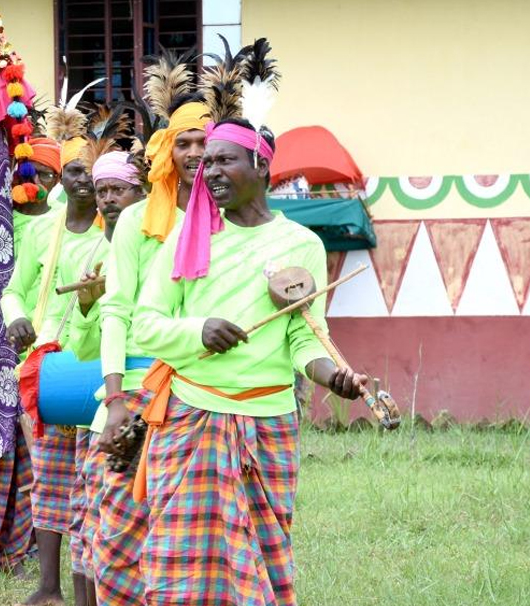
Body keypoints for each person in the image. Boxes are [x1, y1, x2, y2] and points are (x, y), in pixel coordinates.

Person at [132, 116, 368, 605]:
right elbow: (145, 325)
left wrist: (334, 378)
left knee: (262, 559)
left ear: (261, 165)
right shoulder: (188, 236)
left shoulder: (301, 244)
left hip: (269, 425)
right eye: (207, 163)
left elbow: (305, 337)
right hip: (191, 416)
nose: (211, 171)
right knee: (179, 565)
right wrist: (199, 329)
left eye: (225, 160)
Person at [91, 95, 212, 605]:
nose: (194, 153)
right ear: (167, 150)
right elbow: (116, 310)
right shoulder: (136, 221)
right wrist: (115, 398)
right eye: (184, 143)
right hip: (140, 381)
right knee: (120, 521)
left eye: (203, 142)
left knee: (191, 526)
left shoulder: (228, 220)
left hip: (204, 387)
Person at [2, 133, 104, 606]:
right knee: (49, 476)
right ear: (60, 177)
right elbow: (12, 290)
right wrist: (16, 319)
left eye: (92, 172)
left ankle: (90, 590)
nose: (84, 181)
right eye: (75, 171)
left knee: (91, 481)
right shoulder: (44, 229)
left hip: (98, 364)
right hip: (46, 368)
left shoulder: (118, 229)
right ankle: (48, 587)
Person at [60, 150, 147, 606]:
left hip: (158, 395)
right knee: (95, 517)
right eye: (102, 191)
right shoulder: (89, 252)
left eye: (119, 190)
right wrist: (87, 305)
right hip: (108, 405)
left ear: (142, 193)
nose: (109, 199)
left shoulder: (160, 244)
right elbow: (85, 350)